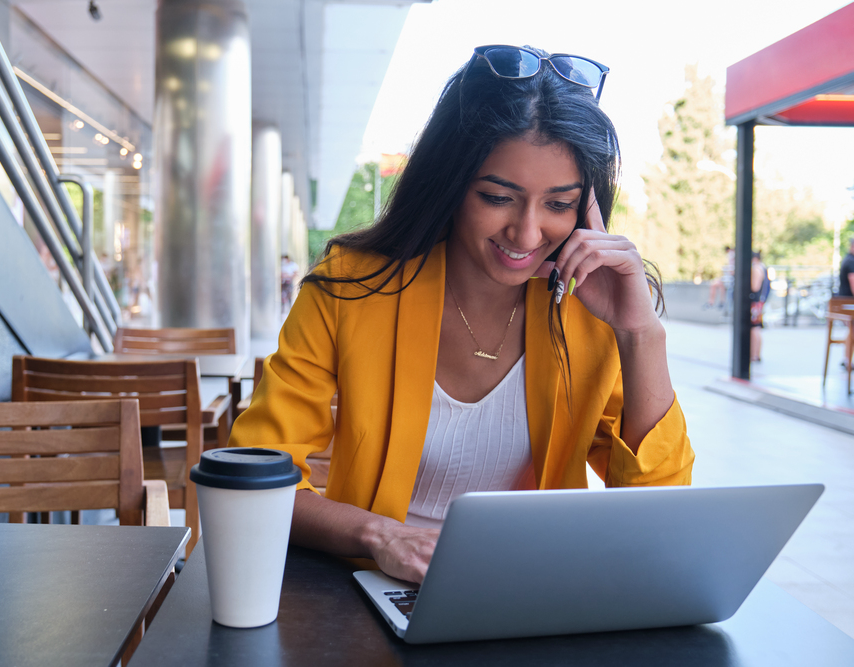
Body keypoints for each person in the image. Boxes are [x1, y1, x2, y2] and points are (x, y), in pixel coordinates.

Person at [230, 45, 694, 584]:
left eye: (559, 204)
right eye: (498, 197)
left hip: (531, 590)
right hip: (368, 588)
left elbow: (659, 511)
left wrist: (640, 334)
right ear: (450, 184)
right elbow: (255, 474)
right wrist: (382, 536)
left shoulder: (589, 308)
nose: (526, 233)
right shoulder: (352, 286)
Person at [750, 251, 770, 362]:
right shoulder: (763, 268)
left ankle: (754, 354)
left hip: (755, 303)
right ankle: (755, 354)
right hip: (759, 302)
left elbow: (755, 287)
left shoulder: (757, 269)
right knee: (756, 328)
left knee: (754, 328)